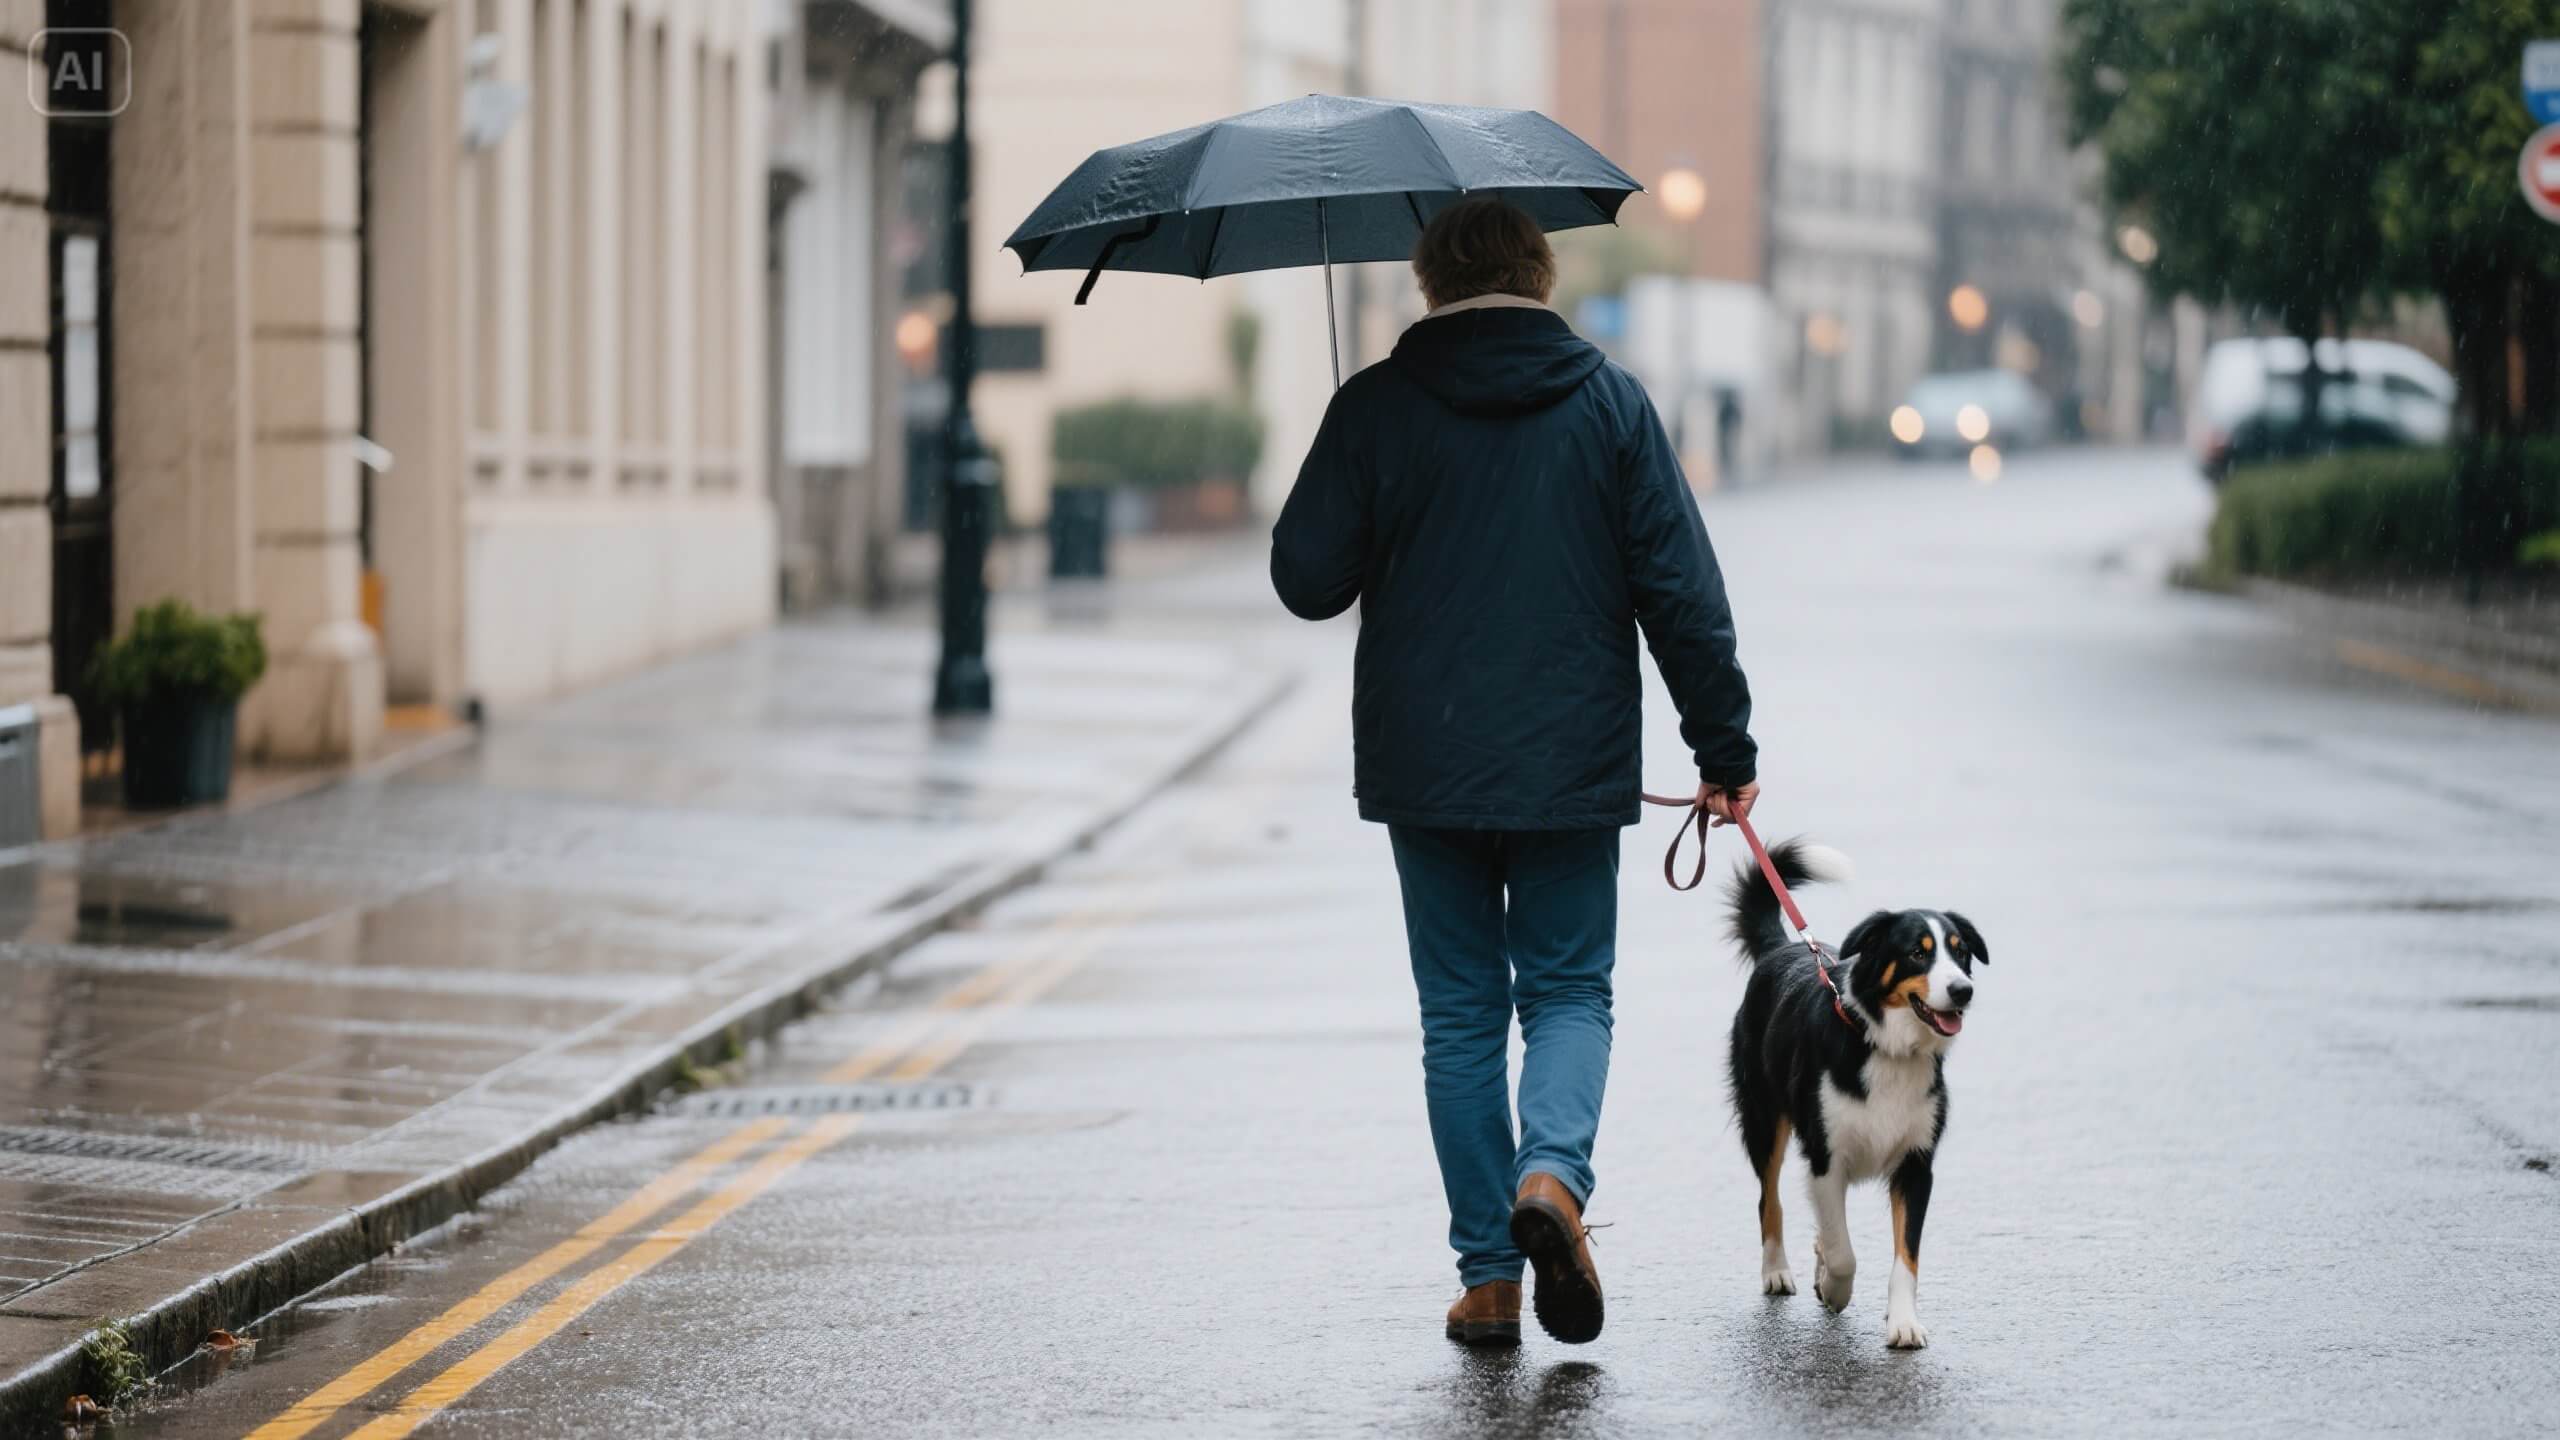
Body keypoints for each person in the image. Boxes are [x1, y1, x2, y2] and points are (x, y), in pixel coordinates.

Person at [1269, 197, 1759, 1347]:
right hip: (1568, 757)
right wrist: (1722, 749)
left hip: (1424, 758)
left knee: (1457, 1017)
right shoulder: (1611, 404)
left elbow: (1305, 579)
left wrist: (1353, 443)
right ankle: (1551, 1180)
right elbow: (1680, 593)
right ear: (1539, 272)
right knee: (1567, 991)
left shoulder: (1378, 405)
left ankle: (1491, 1278)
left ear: (1430, 280)